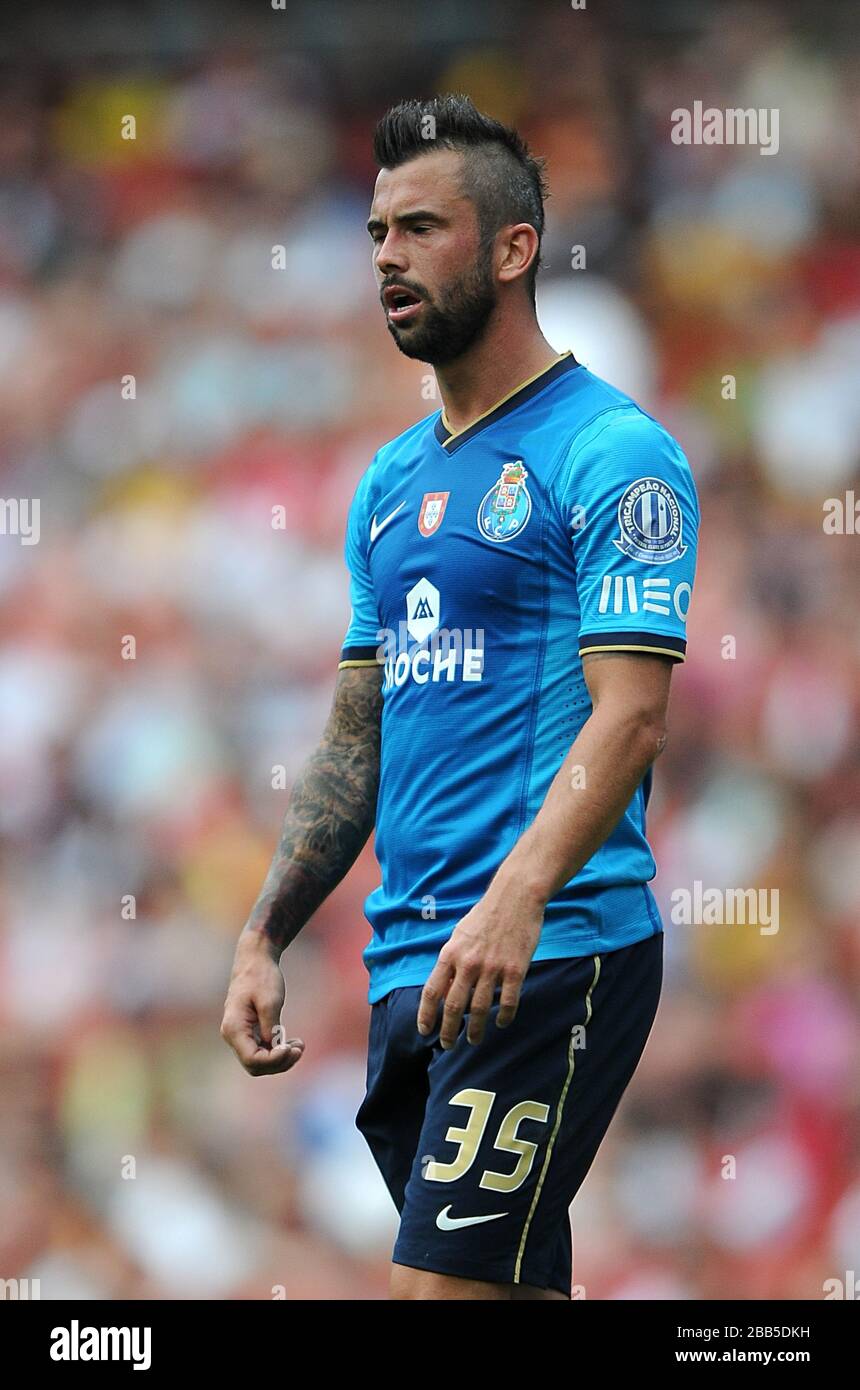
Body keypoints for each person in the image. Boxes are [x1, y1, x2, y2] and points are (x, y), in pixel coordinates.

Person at [221, 94, 700, 1301]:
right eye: (377, 232)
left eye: (420, 227)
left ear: (511, 248)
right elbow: (357, 728)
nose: (384, 254)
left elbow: (632, 713)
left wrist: (514, 902)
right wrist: (266, 928)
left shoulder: (608, 451)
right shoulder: (389, 480)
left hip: (544, 953)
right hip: (411, 968)